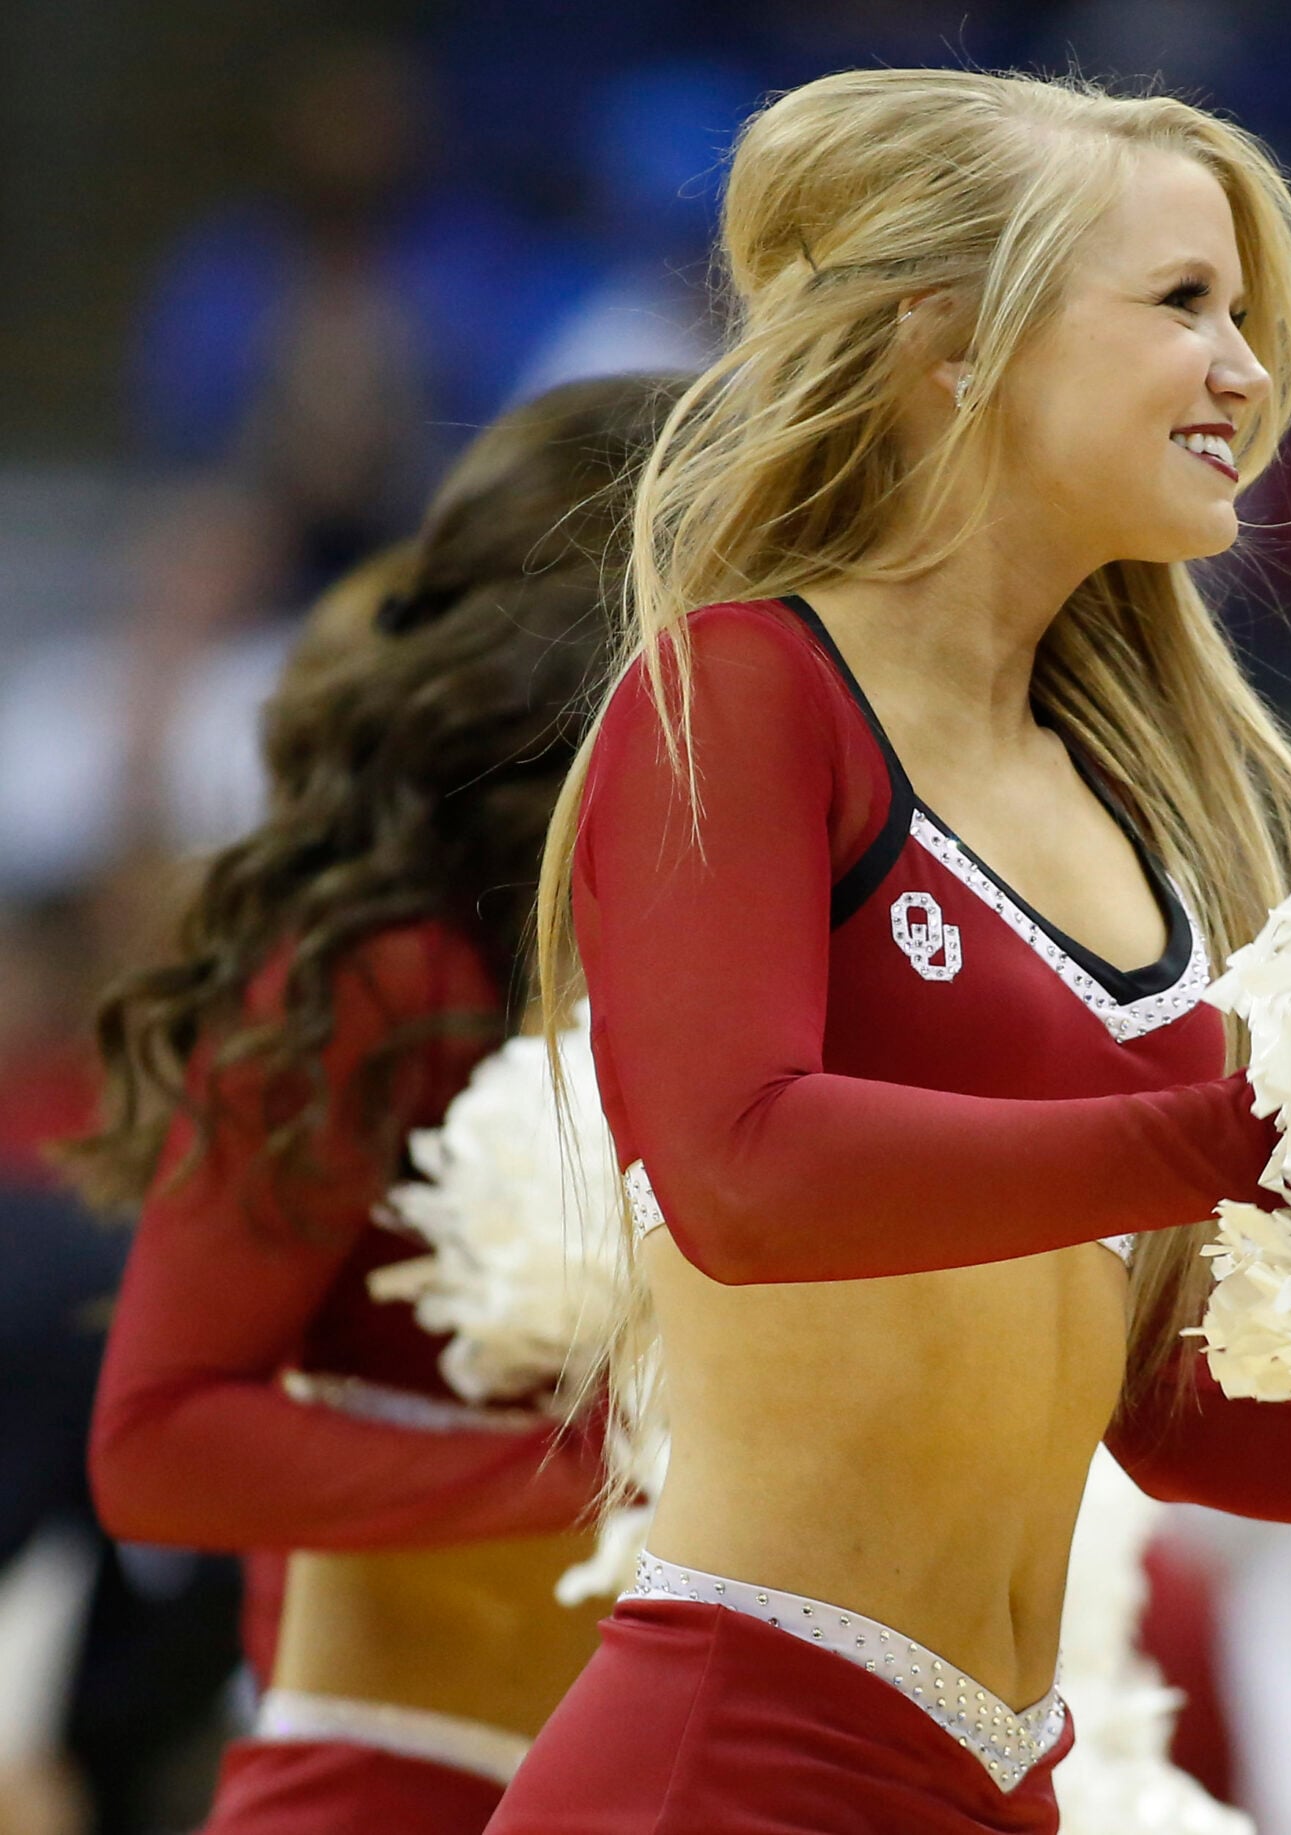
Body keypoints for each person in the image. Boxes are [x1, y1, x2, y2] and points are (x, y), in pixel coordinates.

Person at [492, 68, 1291, 1835]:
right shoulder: (751, 691)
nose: (1245, 368)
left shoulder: (1126, 803)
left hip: (1001, 1774)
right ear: (951, 338)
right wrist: (1234, 1139)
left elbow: (1155, 1392)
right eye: (1181, 305)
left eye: (1245, 316)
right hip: (739, 1748)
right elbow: (740, 1171)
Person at [73, 373, 683, 1835]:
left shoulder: (764, 936)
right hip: (409, 1777)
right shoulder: (381, 966)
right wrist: (621, 1476)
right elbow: (158, 1439)